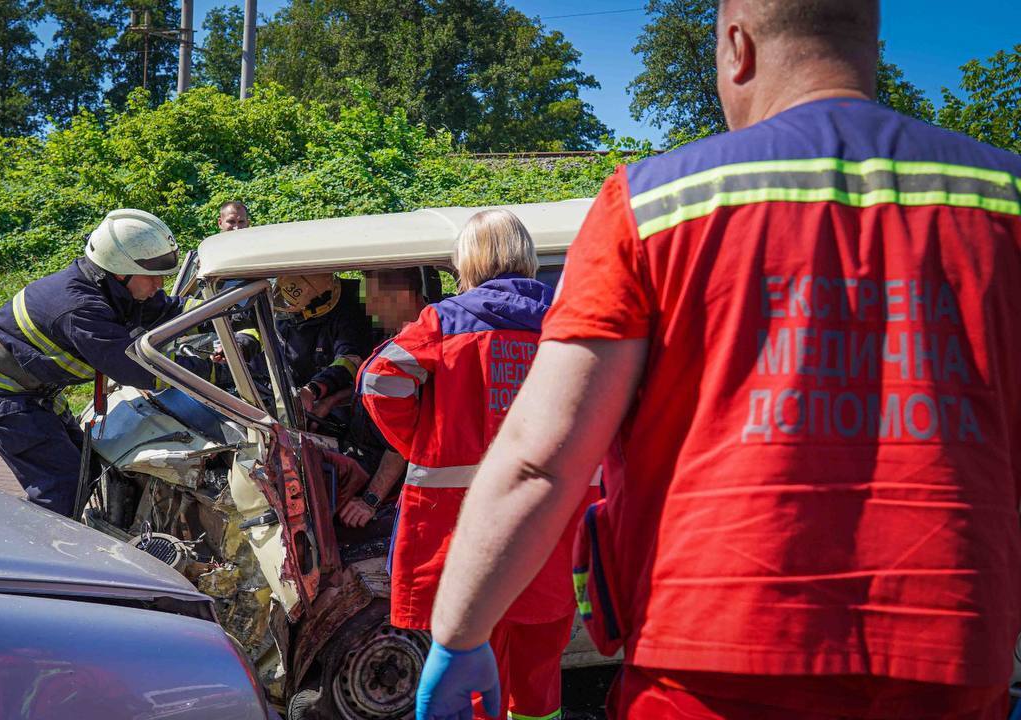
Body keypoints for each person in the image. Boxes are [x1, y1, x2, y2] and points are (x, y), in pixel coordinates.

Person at [416, 1, 1021, 719]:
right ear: (874, 47)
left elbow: (542, 458)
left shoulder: (653, 205)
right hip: (951, 659)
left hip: (704, 665)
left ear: (736, 46)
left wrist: (460, 634)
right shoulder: (1002, 200)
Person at [361, 210, 596, 720]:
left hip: (463, 538)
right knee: (538, 678)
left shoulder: (443, 321)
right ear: (527, 257)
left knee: (470, 679)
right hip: (551, 533)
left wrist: (423, 441)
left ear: (467, 261)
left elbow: (379, 382)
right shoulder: (572, 317)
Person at [0, 208, 186, 515]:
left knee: (86, 471)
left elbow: (171, 313)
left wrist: (229, 317)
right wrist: (212, 371)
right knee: (62, 487)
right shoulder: (80, 308)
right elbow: (138, 369)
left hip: (34, 390)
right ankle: (38, 555)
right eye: (153, 277)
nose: (159, 285)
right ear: (120, 271)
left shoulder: (116, 289)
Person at [337, 267, 429, 528]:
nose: (370, 311)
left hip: (392, 486)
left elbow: (402, 440)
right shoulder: (397, 335)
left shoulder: (418, 347)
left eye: (375, 302)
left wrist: (369, 500)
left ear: (401, 297)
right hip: (368, 457)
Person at [273, 273, 372, 414]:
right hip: (284, 391)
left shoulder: (347, 316)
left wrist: (313, 390)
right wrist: (242, 345)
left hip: (327, 401)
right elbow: (250, 325)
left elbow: (349, 362)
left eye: (295, 314)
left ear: (317, 308)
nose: (288, 317)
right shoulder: (284, 305)